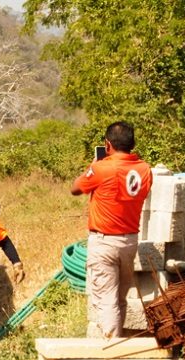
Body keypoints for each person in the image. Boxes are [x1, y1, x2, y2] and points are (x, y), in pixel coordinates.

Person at [71, 121, 152, 339]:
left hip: (104, 242)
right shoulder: (145, 170)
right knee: (119, 298)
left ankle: (110, 349)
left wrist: (93, 166)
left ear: (108, 145)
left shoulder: (101, 168)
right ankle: (117, 340)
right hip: (129, 242)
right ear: (131, 143)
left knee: (106, 299)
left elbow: (75, 188)